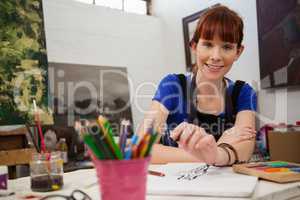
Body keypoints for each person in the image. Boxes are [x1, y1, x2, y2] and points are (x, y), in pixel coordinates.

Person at [139, 5, 257, 165]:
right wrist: (213, 154)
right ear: (194, 46)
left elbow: (245, 149)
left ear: (238, 52)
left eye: (227, 47)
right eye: (208, 44)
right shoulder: (173, 86)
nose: (215, 56)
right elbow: (142, 148)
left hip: (224, 187)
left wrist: (216, 155)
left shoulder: (244, 92)